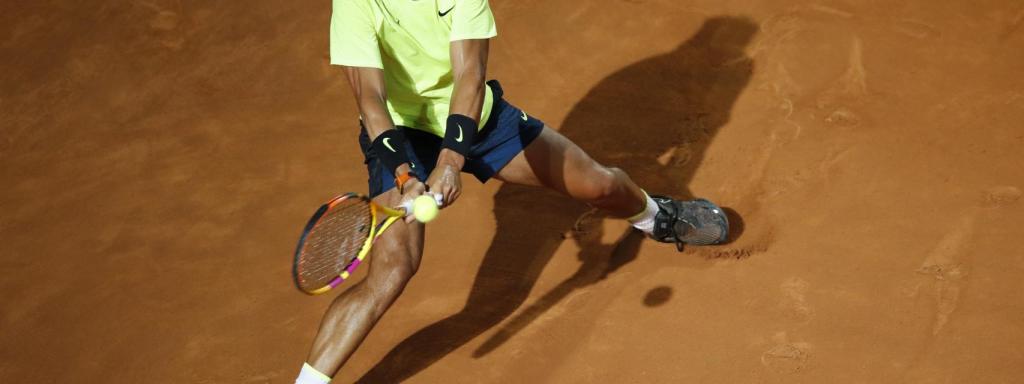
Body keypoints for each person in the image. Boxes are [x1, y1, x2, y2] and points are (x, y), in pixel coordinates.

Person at [294, 1, 729, 382]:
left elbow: (469, 74)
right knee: (392, 271)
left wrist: (449, 161)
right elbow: (370, 98)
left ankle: (655, 215)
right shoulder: (354, 2)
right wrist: (406, 175)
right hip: (400, 135)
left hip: (475, 121)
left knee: (598, 183)